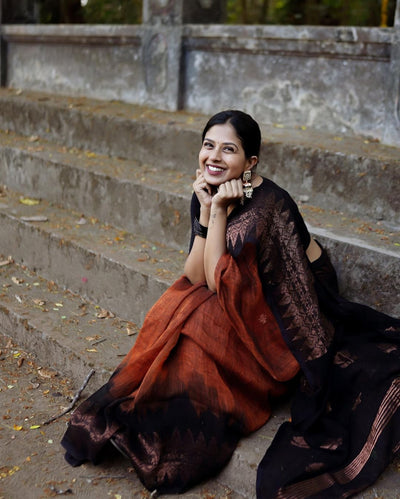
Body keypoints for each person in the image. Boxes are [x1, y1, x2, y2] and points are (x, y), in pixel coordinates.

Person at [61, 110, 400, 498]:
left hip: (290, 302)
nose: (214, 157)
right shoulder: (208, 189)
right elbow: (196, 274)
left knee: (202, 312)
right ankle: (150, 411)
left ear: (250, 163)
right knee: (183, 299)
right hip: (238, 288)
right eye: (208, 146)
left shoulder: (270, 204)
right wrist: (208, 211)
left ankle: (185, 427)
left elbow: (224, 283)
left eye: (229, 150)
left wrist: (219, 212)